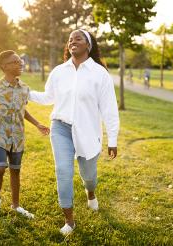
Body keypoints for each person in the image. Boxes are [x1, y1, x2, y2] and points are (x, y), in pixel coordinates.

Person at [29, 30, 120, 235]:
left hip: (87, 130)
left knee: (89, 175)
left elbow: (109, 109)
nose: (72, 41)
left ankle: (90, 193)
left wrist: (112, 139)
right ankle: (69, 221)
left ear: (88, 45)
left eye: (78, 38)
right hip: (60, 128)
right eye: (70, 39)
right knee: (63, 171)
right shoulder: (59, 71)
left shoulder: (99, 73)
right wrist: (26, 93)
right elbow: (48, 97)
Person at [0, 50, 50, 219]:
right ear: (5, 66)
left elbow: (22, 110)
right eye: (16, 62)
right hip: (0, 134)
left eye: (20, 61)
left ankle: (16, 205)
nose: (20, 64)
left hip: (18, 136)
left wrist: (37, 124)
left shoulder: (24, 89)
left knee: (15, 171)